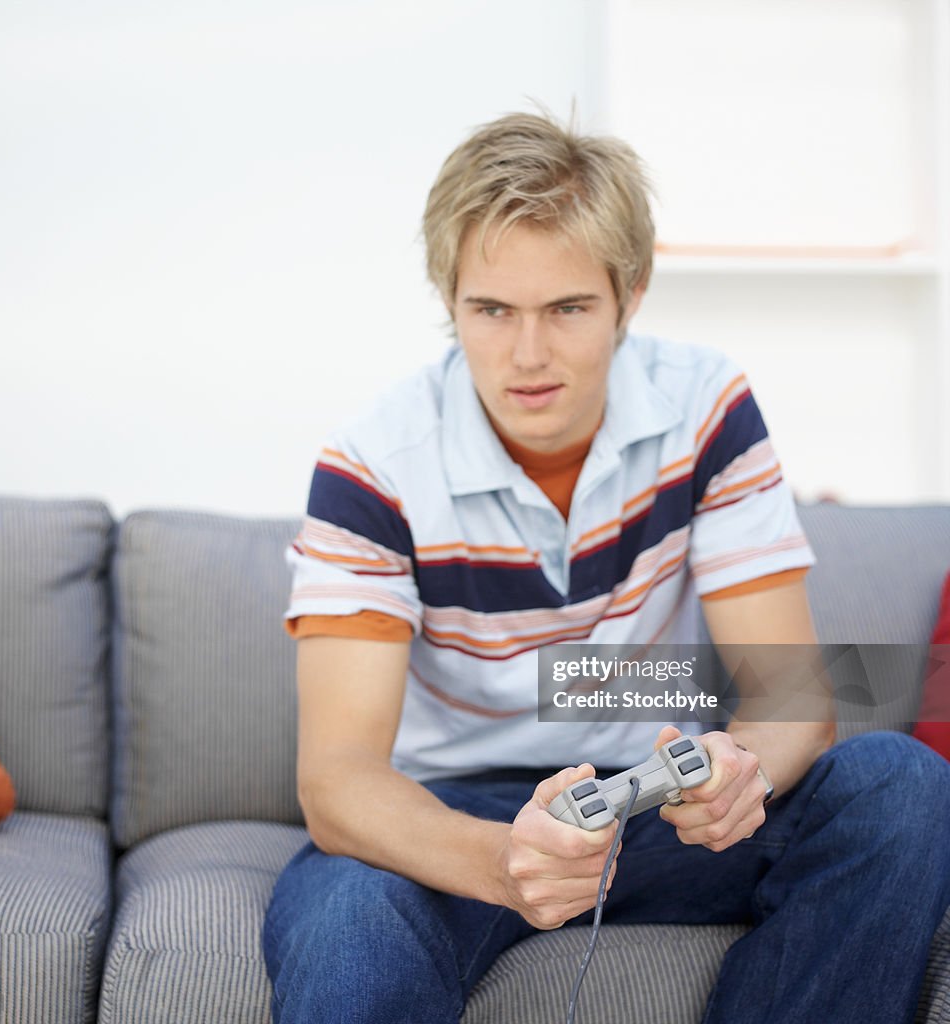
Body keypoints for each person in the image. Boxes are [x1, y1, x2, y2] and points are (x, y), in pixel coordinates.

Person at [261, 111, 950, 1023]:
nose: (529, 355)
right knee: (349, 927)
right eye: (492, 310)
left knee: (899, 787)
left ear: (631, 292)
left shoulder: (706, 408)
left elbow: (789, 701)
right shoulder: (376, 462)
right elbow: (339, 779)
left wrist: (739, 770)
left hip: (650, 794)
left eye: (569, 309)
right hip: (453, 816)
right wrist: (507, 859)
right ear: (449, 297)